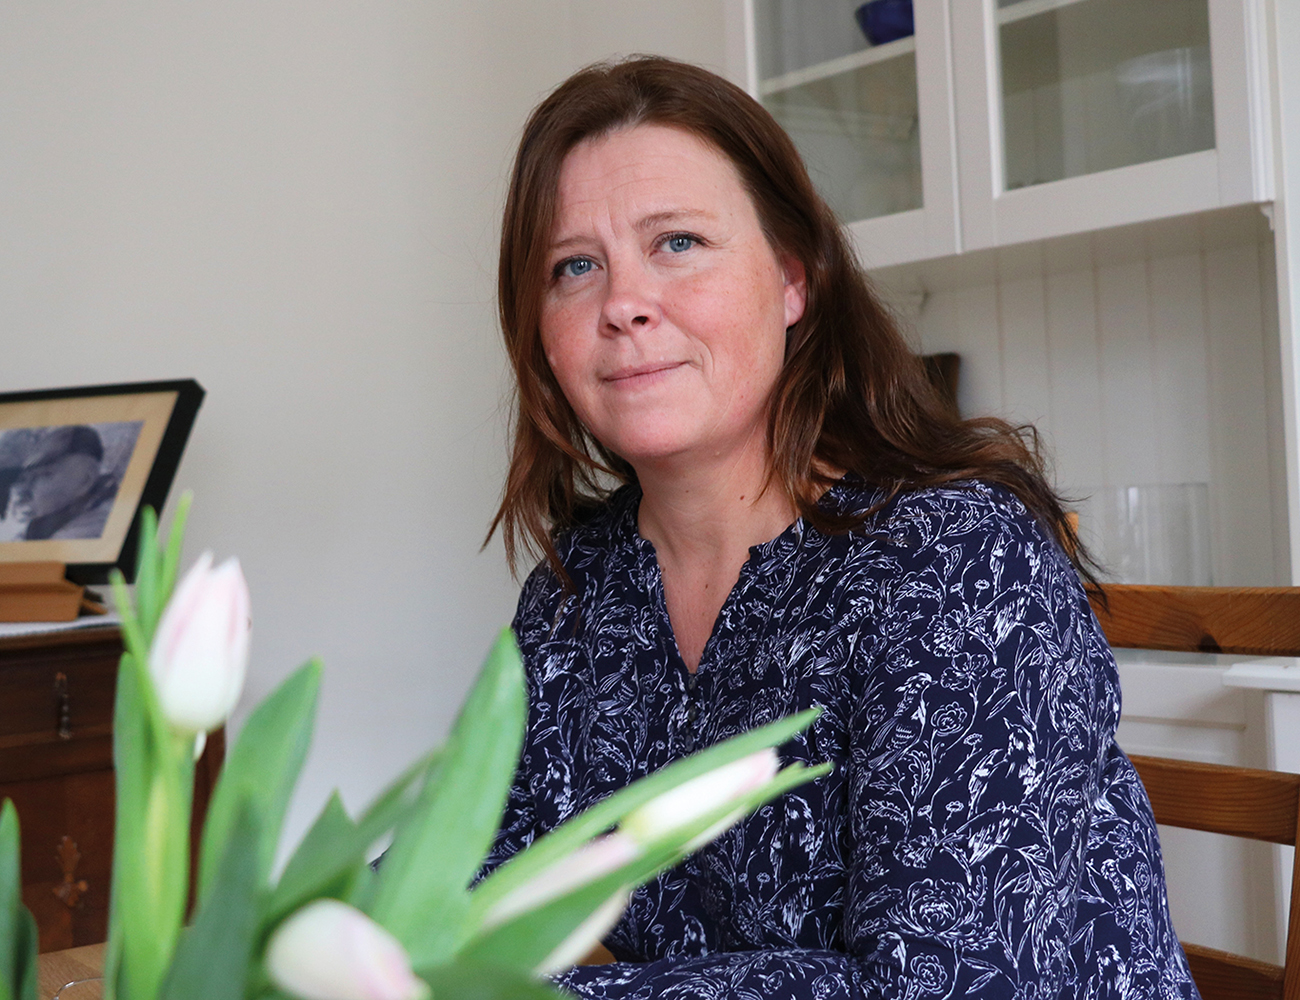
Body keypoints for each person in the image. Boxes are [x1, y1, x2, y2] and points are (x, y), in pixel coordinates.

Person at [482, 56, 1199, 999]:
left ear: (792, 280)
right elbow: (484, 891)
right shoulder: (582, 590)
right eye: (576, 266)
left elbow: (947, 983)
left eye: (679, 243)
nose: (623, 303)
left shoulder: (956, 561)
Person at [0, 425, 119, 541]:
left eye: (45, 475)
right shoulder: (45, 525)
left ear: (84, 481)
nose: (23, 489)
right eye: (23, 479)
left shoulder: (92, 528)